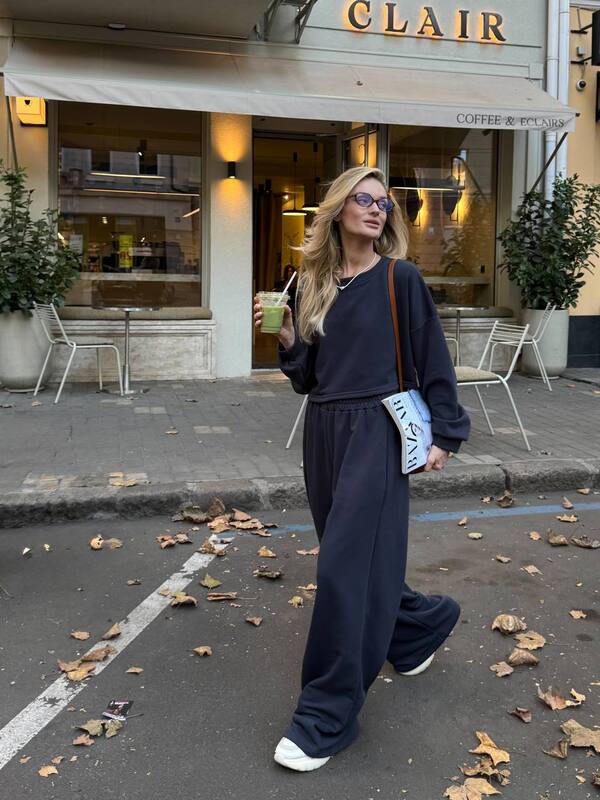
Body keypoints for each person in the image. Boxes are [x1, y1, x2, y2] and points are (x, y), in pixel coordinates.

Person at [253, 166, 470, 773]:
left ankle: (327, 713)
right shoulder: (311, 283)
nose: (377, 210)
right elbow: (307, 379)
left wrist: (446, 434)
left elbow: (433, 359)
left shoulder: (401, 278)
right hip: (324, 432)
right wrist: (289, 337)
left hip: (377, 431)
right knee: (356, 559)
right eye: (365, 199)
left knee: (344, 570)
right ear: (338, 209)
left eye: (385, 204)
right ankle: (419, 628)